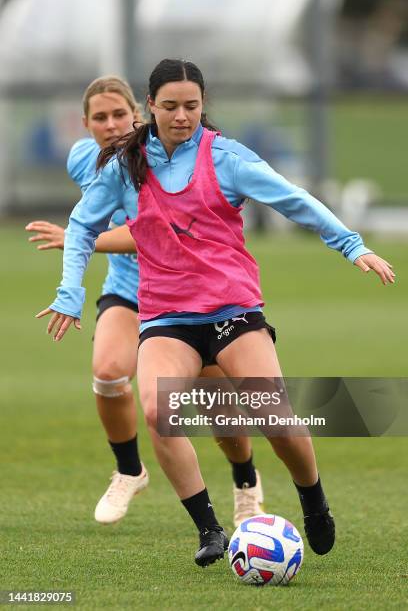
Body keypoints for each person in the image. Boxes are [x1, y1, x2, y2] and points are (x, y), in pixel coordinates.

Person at [37, 59, 395, 567]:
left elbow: (294, 200)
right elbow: (81, 226)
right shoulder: (122, 165)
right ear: (152, 108)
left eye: (192, 105)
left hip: (232, 310)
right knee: (161, 411)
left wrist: (352, 245)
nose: (182, 115)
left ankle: (313, 501)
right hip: (166, 318)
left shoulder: (226, 156)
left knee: (271, 415)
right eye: (171, 106)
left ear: (203, 105)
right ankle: (209, 529)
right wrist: (69, 293)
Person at [29, 74, 265, 530]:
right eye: (100, 117)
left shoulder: (167, 158)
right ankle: (129, 471)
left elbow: (149, 233)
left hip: (192, 297)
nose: (112, 124)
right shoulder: (84, 159)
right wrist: (79, 235)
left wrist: (87, 239)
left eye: (120, 114)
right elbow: (93, 216)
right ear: (86, 124)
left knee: (219, 411)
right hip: (129, 293)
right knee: (107, 372)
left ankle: (245, 483)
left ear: (139, 114)